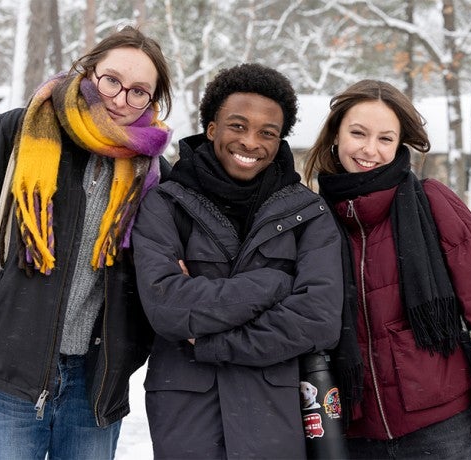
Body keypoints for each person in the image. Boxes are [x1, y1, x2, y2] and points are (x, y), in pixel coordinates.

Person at [0, 26, 173, 459]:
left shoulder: (154, 172)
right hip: (12, 375)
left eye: (138, 91)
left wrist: (132, 344)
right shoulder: (17, 133)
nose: (119, 99)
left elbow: (155, 268)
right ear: (87, 71)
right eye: (111, 80)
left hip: (96, 385)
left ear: (152, 100)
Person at [303, 79, 471, 459]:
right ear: (335, 135)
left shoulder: (432, 203)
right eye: (358, 133)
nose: (369, 149)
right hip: (355, 432)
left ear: (398, 146)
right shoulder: (314, 217)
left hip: (441, 429)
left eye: (385, 139)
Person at [131, 63, 345, 459]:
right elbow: (167, 307)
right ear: (212, 129)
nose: (251, 142)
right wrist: (276, 285)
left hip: (273, 414)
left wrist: (212, 339)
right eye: (237, 126)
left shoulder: (309, 213)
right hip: (187, 415)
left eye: (268, 132)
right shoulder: (165, 203)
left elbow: (319, 319)